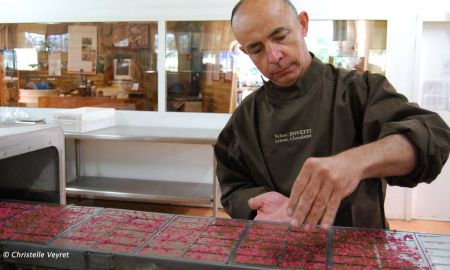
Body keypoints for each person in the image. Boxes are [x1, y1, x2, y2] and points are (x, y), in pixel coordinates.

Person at [214, 0, 450, 230]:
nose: (274, 56)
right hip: (277, 249)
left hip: (359, 248)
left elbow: (432, 136)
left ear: (303, 24)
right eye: (257, 48)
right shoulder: (245, 116)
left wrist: (357, 162)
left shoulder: (359, 90)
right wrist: (256, 207)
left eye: (280, 36)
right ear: (246, 52)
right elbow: (234, 184)